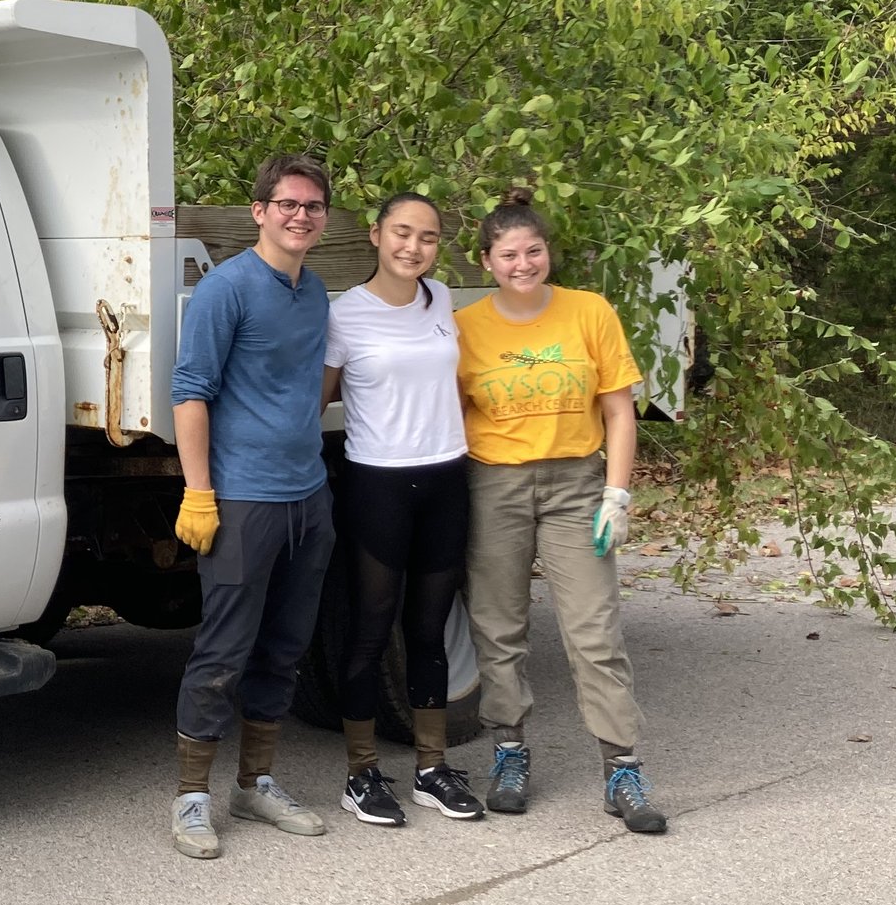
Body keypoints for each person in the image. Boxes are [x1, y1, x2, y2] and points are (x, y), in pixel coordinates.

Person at [456, 188, 667, 835]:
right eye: (508, 254)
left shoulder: (589, 311)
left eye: (534, 250)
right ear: (487, 261)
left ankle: (622, 768)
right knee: (498, 628)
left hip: (579, 486)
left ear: (548, 252)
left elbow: (619, 408)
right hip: (496, 485)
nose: (523, 263)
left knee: (594, 631)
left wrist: (618, 492)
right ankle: (510, 752)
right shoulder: (466, 327)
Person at [167, 153, 339, 859]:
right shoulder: (228, 289)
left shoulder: (315, 291)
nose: (301, 215)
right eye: (288, 203)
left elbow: (308, 387)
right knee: (223, 651)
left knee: (286, 646)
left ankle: (256, 782)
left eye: (313, 206)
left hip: (308, 496)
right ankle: (191, 798)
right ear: (260, 210)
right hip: (240, 500)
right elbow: (189, 392)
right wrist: (199, 490)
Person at [321, 192, 485, 827]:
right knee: (369, 629)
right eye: (402, 233)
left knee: (430, 630)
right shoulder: (345, 316)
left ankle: (431, 768)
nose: (413, 247)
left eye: (428, 237)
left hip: (445, 479)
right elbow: (318, 401)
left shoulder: (441, 299)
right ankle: (361, 775)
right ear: (376, 235)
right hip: (377, 485)